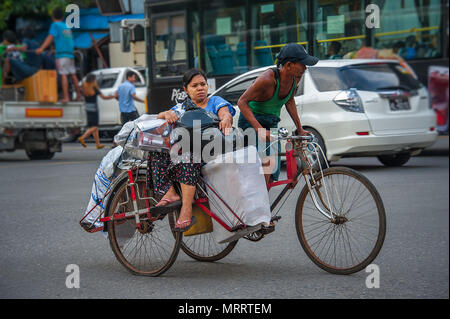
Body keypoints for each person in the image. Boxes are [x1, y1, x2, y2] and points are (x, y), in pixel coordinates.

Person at [148, 68, 234, 232]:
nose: (200, 88)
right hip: (185, 151)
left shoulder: (215, 101)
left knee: (187, 156)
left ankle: (186, 209)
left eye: (203, 84)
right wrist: (166, 114)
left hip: (209, 152)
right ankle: (170, 192)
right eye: (195, 86)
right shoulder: (181, 108)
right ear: (186, 90)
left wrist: (226, 119)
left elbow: (225, 113)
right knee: (155, 149)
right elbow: (158, 117)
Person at [237, 43, 317, 184]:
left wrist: (300, 128)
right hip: (252, 121)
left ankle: (263, 201)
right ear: (288, 65)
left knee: (274, 170)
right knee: (266, 164)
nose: (305, 67)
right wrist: (259, 130)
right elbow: (242, 102)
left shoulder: (295, 78)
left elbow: (290, 101)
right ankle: (260, 203)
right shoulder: (267, 79)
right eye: (302, 64)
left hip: (271, 121)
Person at [35, 7, 82, 103]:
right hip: (70, 54)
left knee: (63, 75)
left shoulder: (55, 25)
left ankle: (66, 97)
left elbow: (50, 37)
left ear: (53, 17)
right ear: (62, 17)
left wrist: (41, 48)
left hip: (62, 55)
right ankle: (79, 96)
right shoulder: (66, 26)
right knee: (73, 75)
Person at [77, 73, 115, 149]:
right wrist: (113, 96)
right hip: (94, 109)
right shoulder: (94, 88)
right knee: (95, 126)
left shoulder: (83, 87)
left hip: (87, 108)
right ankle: (82, 138)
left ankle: (98, 144)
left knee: (94, 127)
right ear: (93, 80)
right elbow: (104, 97)